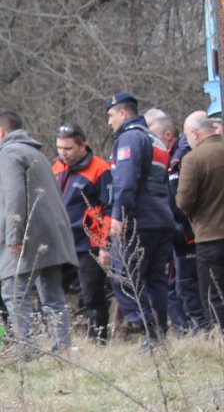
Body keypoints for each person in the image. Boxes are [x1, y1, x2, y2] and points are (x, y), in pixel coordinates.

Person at [0, 111, 74, 355]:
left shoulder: (9, 153)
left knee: (14, 293)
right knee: (52, 296)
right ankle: (62, 349)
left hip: (26, 237)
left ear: (0, 132)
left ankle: (27, 350)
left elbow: (14, 195)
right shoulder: (36, 153)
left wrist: (12, 235)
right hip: (51, 235)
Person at [99, 92, 174, 348]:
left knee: (125, 278)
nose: (109, 122)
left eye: (111, 115)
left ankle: (149, 328)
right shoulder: (157, 141)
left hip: (138, 221)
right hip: (161, 219)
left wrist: (118, 215)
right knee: (155, 280)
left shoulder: (130, 138)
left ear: (123, 113)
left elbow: (125, 180)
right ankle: (159, 337)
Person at [51, 123, 112, 343]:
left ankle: (98, 340)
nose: (62, 153)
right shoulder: (57, 167)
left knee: (92, 294)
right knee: (52, 289)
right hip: (61, 242)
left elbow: (109, 209)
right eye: (59, 148)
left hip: (89, 243)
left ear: (82, 145)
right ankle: (57, 336)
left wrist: (105, 245)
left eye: (67, 149)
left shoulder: (100, 169)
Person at [146, 108, 205, 334]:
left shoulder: (182, 156)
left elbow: (182, 199)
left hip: (188, 233)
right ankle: (184, 331)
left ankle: (199, 330)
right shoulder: (168, 157)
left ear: (167, 135)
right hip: (175, 232)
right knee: (174, 285)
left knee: (186, 285)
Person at [177, 111, 224, 330]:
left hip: (210, 238)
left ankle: (219, 343)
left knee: (214, 296)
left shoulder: (193, 159)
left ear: (194, 134)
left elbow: (184, 202)